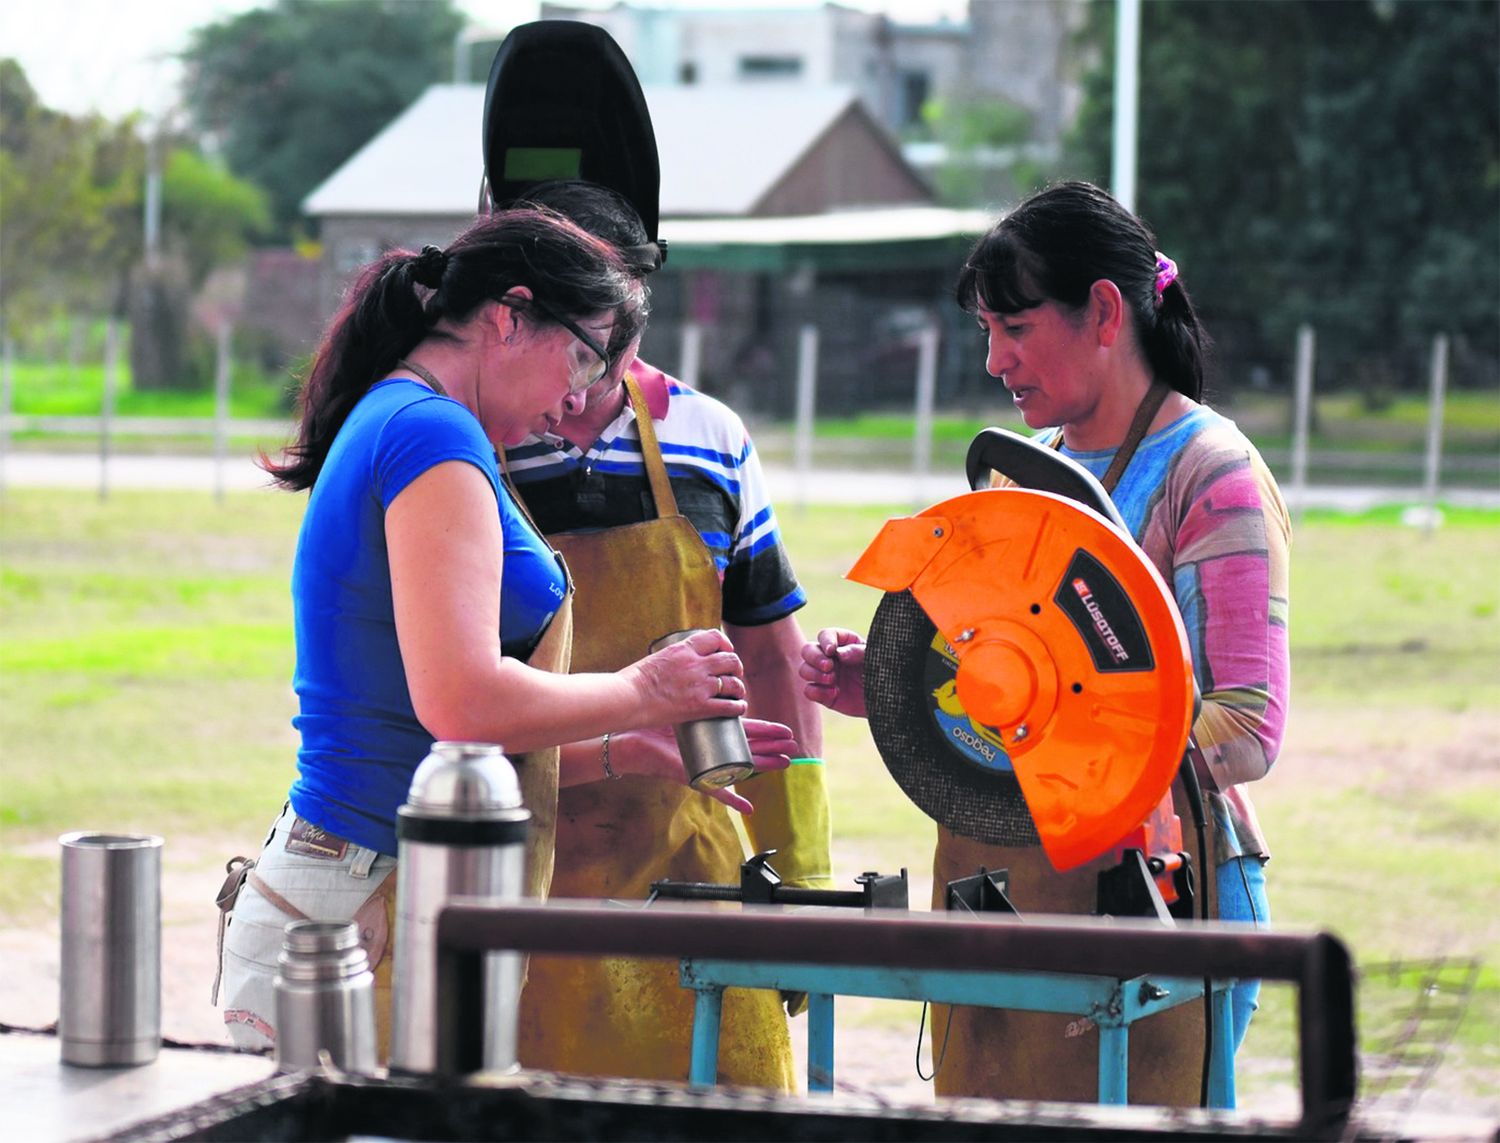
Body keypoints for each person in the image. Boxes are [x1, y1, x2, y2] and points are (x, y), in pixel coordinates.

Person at [215, 208, 795, 1055]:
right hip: (365, 896)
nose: (578, 394)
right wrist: (644, 692)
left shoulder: (415, 419)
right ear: (509, 315)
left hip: (371, 879)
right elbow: (460, 700)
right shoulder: (430, 432)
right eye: (586, 355)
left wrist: (622, 750)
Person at [799, 180, 1289, 1105]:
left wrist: (1068, 739)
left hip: (1168, 905)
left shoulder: (1210, 475)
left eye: (1015, 328)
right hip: (1014, 889)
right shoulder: (1040, 481)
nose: (995, 360)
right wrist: (916, 694)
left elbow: (1250, 726)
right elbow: (1024, 679)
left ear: (1104, 311)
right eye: (987, 332)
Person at [497, 180, 829, 1091]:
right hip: (518, 865)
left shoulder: (712, 438)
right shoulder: (480, 439)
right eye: (568, 347)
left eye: (606, 351)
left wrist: (801, 864)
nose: (579, 380)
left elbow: (770, 653)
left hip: (693, 861)